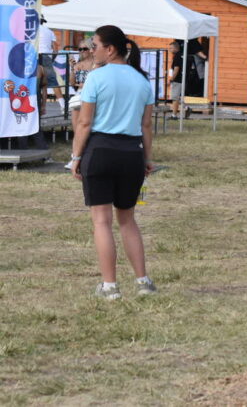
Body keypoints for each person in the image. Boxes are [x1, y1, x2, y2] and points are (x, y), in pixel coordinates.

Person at [70, 25, 156, 299]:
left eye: (94, 45)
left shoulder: (96, 77)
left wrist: (75, 157)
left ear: (110, 49)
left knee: (101, 221)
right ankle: (143, 282)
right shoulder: (142, 80)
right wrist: (148, 158)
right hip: (132, 153)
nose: (91, 50)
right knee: (128, 220)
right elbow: (146, 126)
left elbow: (84, 122)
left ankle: (109, 287)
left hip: (100, 151)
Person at [167, 41, 183, 119]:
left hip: (177, 80)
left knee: (175, 98)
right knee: (177, 97)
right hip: (179, 79)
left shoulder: (177, 56)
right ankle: (186, 108)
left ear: (176, 48)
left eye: (171, 48)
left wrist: (171, 79)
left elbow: (176, 69)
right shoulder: (180, 55)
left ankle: (174, 115)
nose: (170, 50)